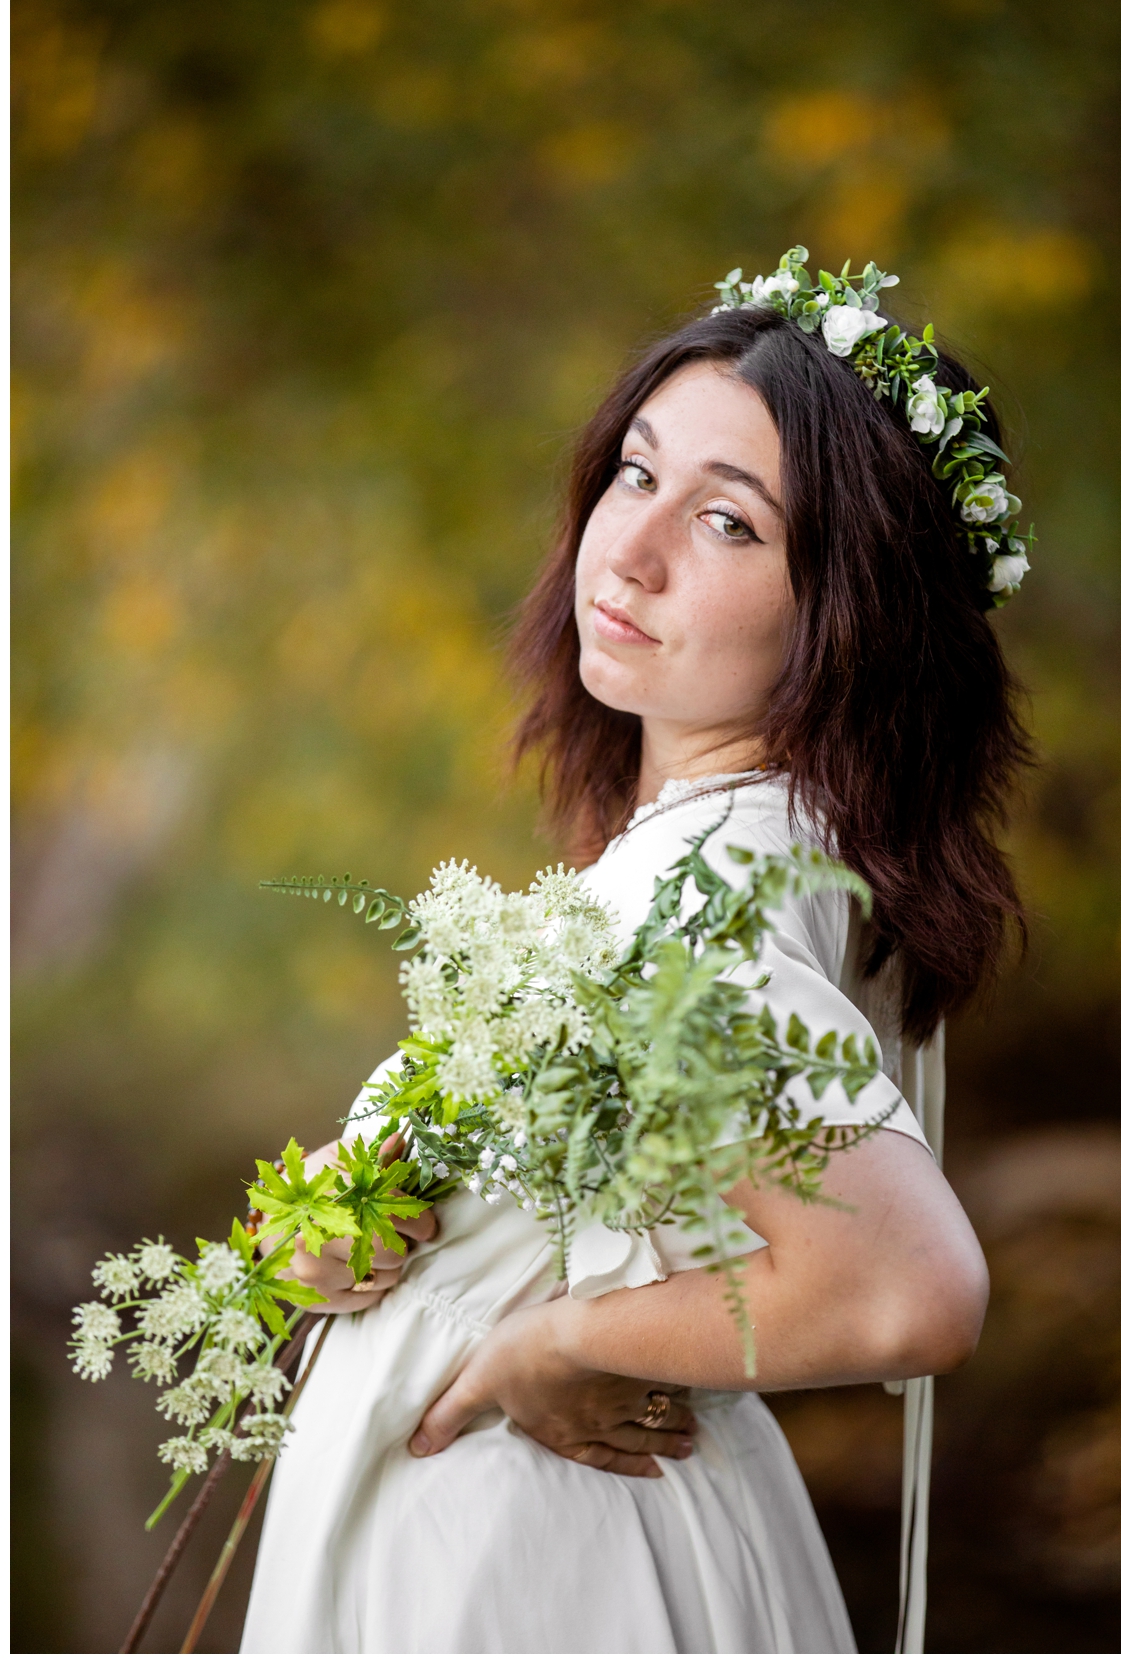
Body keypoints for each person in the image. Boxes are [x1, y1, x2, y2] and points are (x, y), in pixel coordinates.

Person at [240, 252, 1033, 1651]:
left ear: (848, 611)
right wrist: (358, 1230)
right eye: (636, 473)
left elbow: (912, 1287)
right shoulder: (709, 862)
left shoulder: (698, 910)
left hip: (549, 1574)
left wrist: (554, 1344)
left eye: (730, 523)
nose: (635, 547)